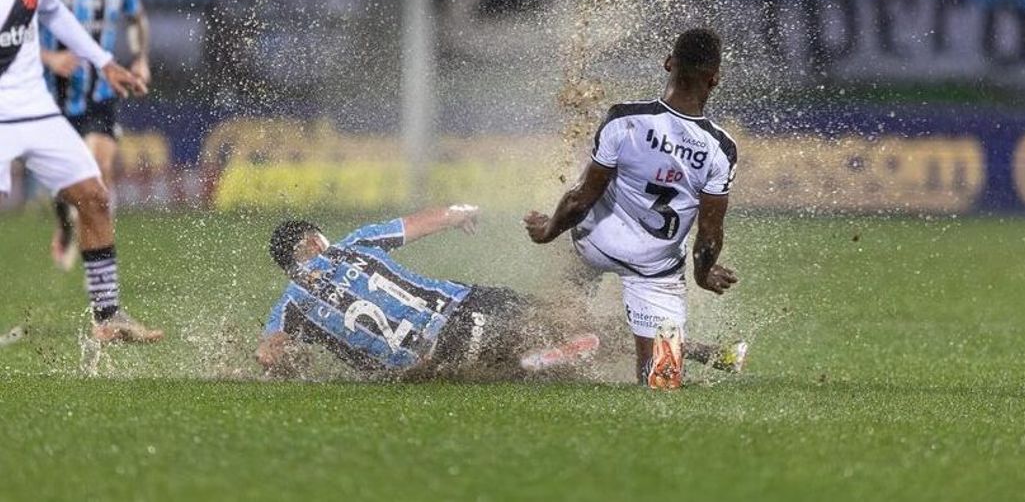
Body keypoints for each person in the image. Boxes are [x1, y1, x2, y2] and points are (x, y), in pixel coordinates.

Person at [524, 28, 747, 389]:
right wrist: (703, 275)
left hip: (595, 244)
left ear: (668, 63)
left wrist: (548, 230)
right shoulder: (720, 149)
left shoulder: (624, 118)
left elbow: (581, 197)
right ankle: (622, 339)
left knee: (560, 301)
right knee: (662, 382)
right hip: (654, 267)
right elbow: (708, 234)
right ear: (715, 78)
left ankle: (571, 337)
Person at [0, 0, 162, 343]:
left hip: (36, 111)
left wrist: (106, 62)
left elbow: (60, 19)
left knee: (94, 195)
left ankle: (107, 317)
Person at [256, 205, 600, 379]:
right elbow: (420, 223)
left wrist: (288, 363)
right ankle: (560, 334)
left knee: (490, 366)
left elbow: (268, 355)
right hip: (461, 310)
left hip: (426, 365)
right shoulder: (353, 244)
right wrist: (459, 213)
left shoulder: (289, 307)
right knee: (550, 316)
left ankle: (527, 359)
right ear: (316, 241)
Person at [41, 0, 151, 271]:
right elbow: (16, 33)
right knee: (65, 185)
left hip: (100, 96)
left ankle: (98, 245)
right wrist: (50, 58)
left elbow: (136, 20)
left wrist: (139, 58)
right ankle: (65, 223)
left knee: (99, 165)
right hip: (50, 98)